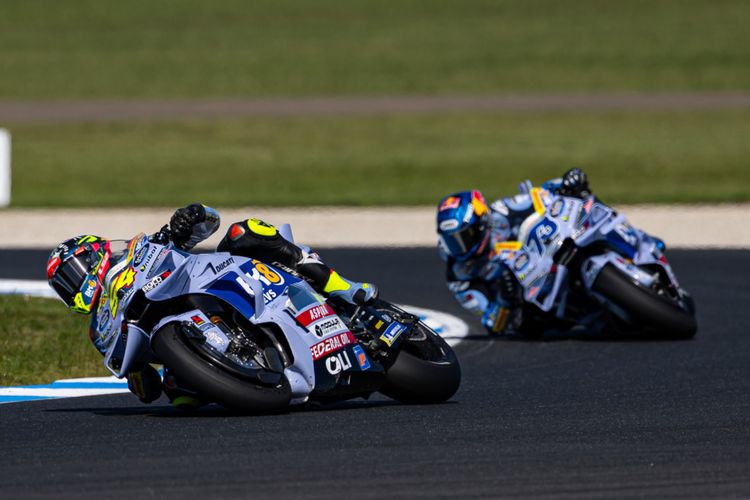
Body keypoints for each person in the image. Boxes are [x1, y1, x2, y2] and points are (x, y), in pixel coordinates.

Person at [46, 204, 377, 406]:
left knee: (245, 231)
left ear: (96, 254)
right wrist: (137, 375)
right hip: (193, 343)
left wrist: (189, 218)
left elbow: (208, 220)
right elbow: (146, 390)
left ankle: (342, 287)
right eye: (65, 284)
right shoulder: (99, 330)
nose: (73, 284)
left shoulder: (142, 249)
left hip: (219, 279)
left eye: (72, 272)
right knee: (180, 397)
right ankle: (252, 371)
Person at [436, 168, 644, 337]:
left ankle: (636, 244)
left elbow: (539, 195)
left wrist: (566, 184)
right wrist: (505, 299)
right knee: (532, 328)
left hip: (552, 251)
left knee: (587, 205)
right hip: (532, 303)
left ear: (482, 223)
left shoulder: (502, 211)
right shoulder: (459, 275)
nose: (459, 247)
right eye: (451, 240)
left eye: (464, 236)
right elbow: (492, 323)